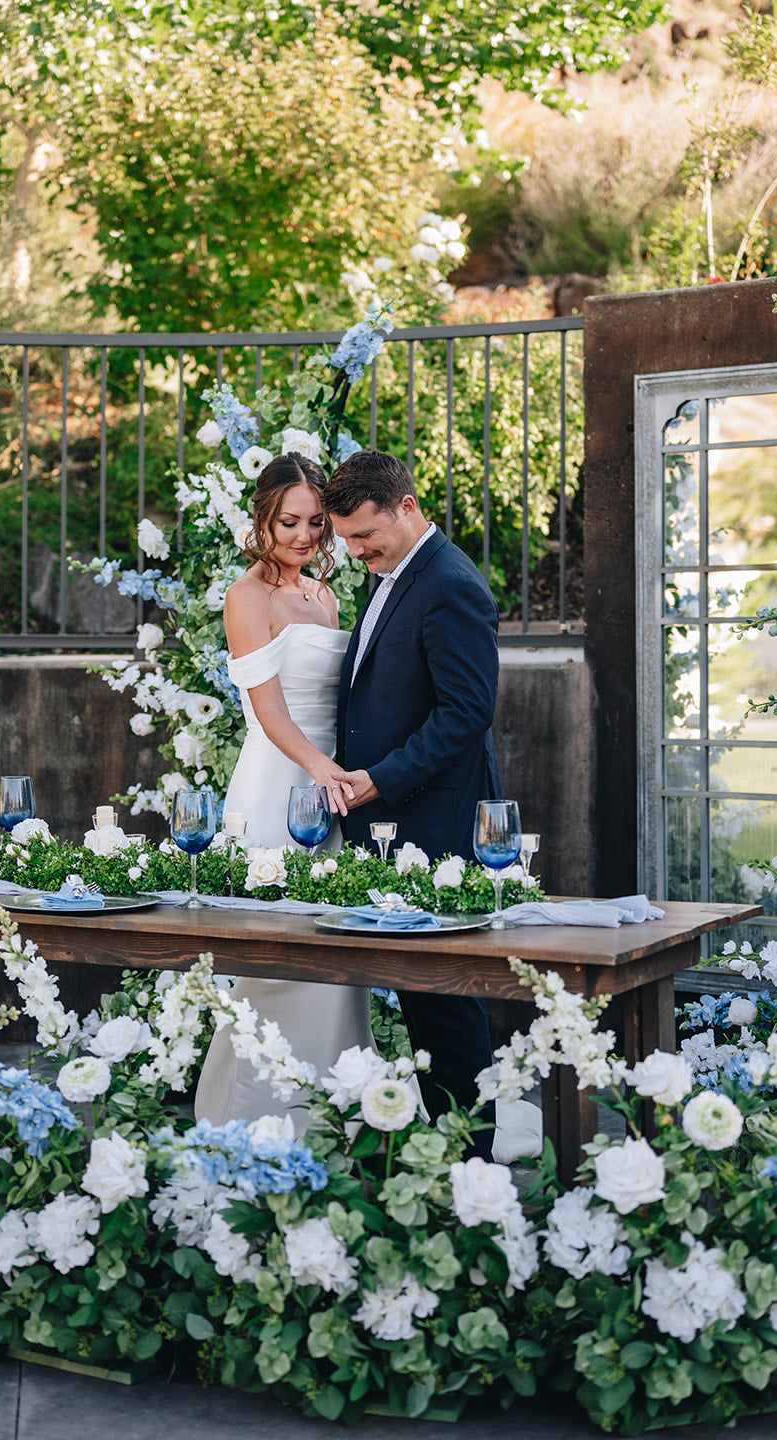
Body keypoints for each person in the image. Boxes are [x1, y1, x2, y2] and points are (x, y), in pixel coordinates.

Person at [324, 449, 513, 1160]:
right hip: (392, 820)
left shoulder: (449, 584)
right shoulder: (391, 574)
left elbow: (466, 713)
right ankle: (441, 1152)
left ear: (406, 507)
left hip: (434, 821)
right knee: (419, 995)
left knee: (445, 1000)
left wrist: (379, 778)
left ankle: (473, 1163)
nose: (355, 550)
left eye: (364, 535)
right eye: (346, 539)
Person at [193, 452, 372, 1128]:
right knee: (276, 960)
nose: (303, 536)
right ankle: (247, 1122)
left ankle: (327, 1117)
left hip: (331, 788)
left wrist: (343, 773)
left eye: (315, 524)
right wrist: (319, 768)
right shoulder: (246, 597)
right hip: (279, 781)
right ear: (261, 519)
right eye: (287, 522)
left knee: (333, 955)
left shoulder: (323, 594)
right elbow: (268, 712)